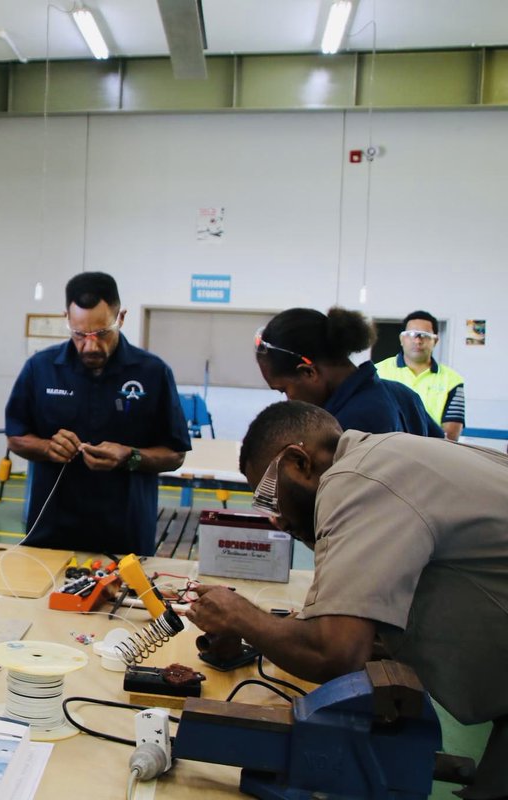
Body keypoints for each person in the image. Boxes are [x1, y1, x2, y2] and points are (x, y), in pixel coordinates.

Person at [187, 400, 508, 800]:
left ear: (298, 463)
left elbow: (338, 653)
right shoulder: (388, 455)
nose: (277, 519)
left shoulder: (355, 478)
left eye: (269, 497)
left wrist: (241, 617)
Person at [4, 272, 190, 555]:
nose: (90, 345)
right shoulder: (40, 369)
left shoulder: (153, 373)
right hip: (51, 533)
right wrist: (47, 447)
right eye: (79, 334)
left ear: (121, 318)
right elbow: (15, 437)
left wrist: (130, 456)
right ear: (66, 318)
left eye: (102, 333)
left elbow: (175, 454)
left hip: (125, 535)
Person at [255, 306, 441, 437]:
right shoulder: (403, 394)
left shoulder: (345, 426)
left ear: (308, 373)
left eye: (284, 390)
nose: (288, 400)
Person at [375, 310, 465, 441]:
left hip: (430, 453)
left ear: (435, 340)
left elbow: (451, 435)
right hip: (384, 449)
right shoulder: (377, 371)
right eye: (411, 334)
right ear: (401, 339)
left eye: (425, 335)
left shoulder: (452, 380)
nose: (417, 340)